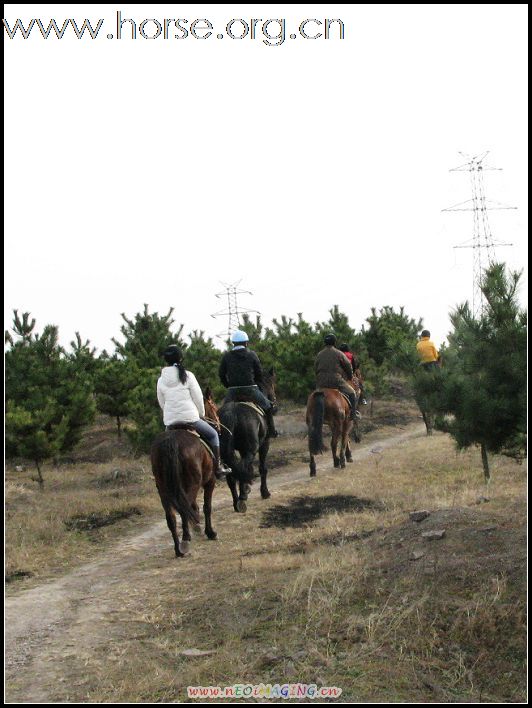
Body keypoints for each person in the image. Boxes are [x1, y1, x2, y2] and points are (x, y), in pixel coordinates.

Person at [157, 345, 231, 480]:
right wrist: (201, 414)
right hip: (190, 418)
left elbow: (162, 402)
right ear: (180, 358)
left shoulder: (161, 380)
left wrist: (170, 415)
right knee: (214, 435)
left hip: (170, 421)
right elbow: (197, 397)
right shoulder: (188, 375)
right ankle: (218, 467)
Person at [218, 330, 278, 437]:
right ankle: (272, 431)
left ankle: (220, 434)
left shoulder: (227, 356)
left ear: (233, 343)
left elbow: (221, 374)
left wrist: (228, 385)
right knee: (268, 406)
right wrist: (255, 382)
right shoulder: (252, 355)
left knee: (221, 412)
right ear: (246, 343)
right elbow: (259, 373)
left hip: (233, 391)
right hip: (251, 389)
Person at [315, 334, 359, 421]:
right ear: (334, 342)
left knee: (315, 396)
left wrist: (319, 377)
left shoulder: (319, 354)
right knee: (352, 393)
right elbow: (348, 365)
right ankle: (353, 414)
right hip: (336, 381)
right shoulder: (339, 353)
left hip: (321, 382)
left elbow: (315, 367)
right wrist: (350, 376)